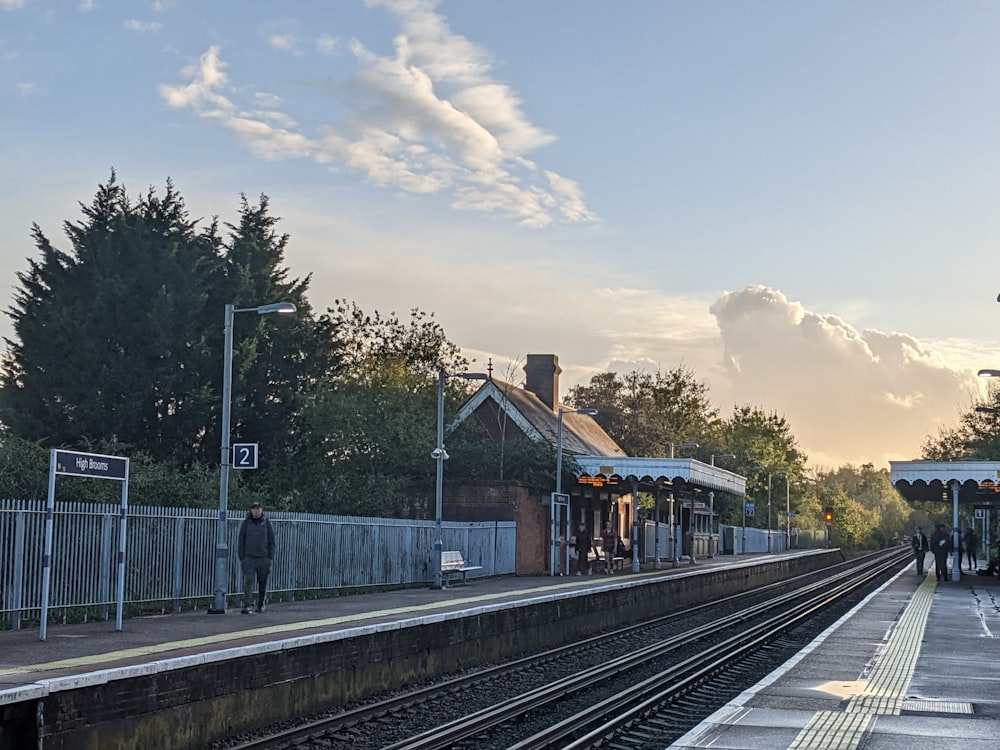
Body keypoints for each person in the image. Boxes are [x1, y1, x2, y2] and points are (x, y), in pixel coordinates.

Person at [238, 501, 276, 614]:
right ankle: (247, 605)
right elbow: (241, 540)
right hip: (249, 558)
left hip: (263, 558)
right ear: (250, 510)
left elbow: (272, 541)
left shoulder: (267, 523)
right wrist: (242, 556)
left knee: (262, 582)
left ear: (262, 510)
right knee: (249, 581)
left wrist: (270, 557)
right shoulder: (246, 523)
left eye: (258, 509)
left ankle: (261, 603)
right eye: (254, 509)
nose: (256, 512)